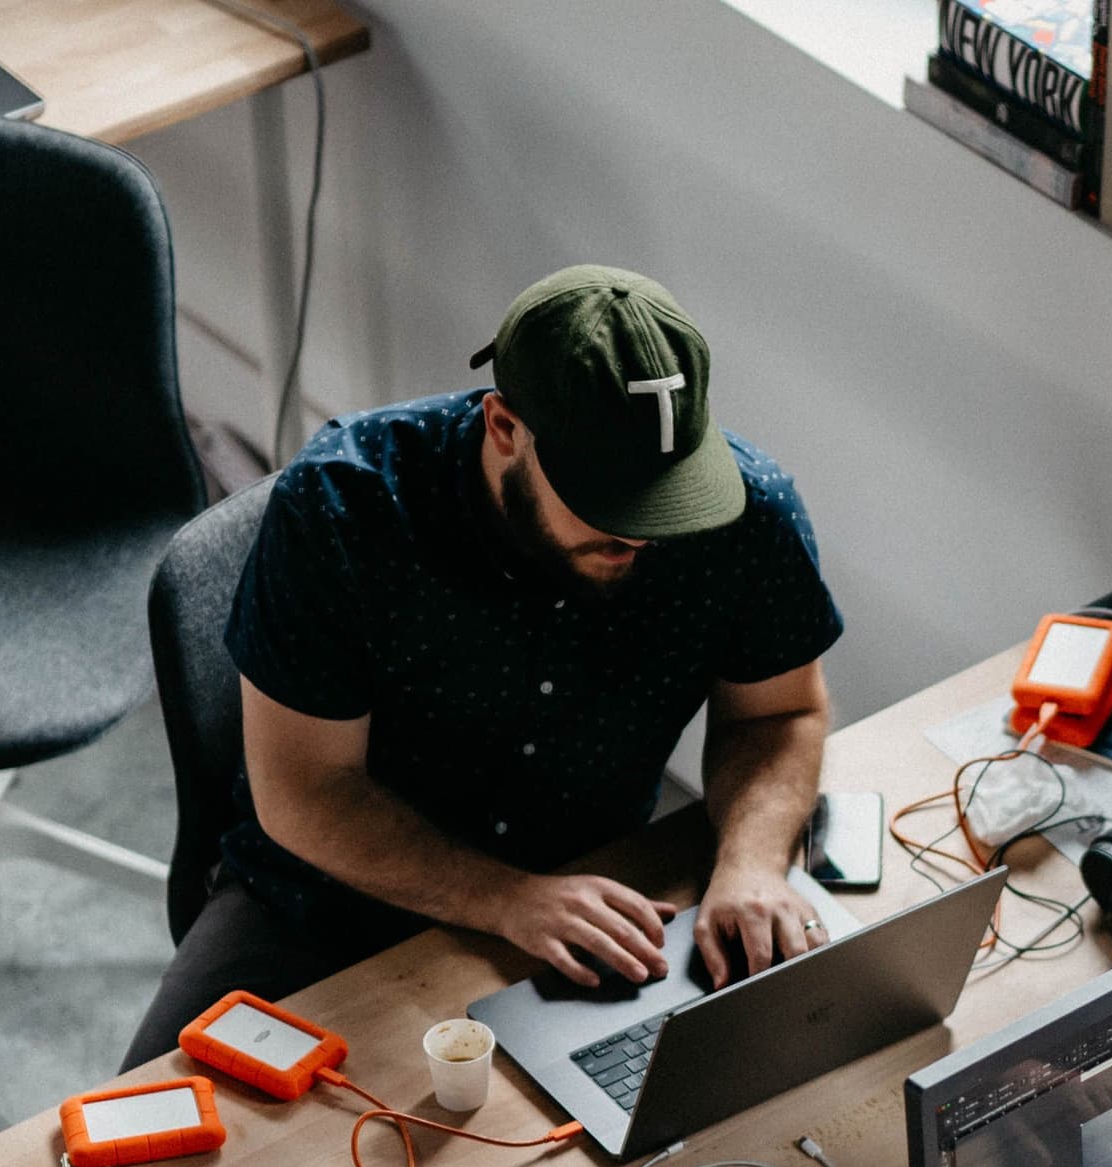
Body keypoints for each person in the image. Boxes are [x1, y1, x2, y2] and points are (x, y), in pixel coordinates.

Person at [124, 265, 842, 1069]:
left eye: (667, 497)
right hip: (323, 901)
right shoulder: (344, 508)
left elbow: (780, 712)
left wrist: (749, 866)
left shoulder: (746, 511)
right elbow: (302, 792)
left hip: (592, 885)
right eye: (608, 501)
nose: (641, 538)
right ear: (505, 427)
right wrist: (507, 899)